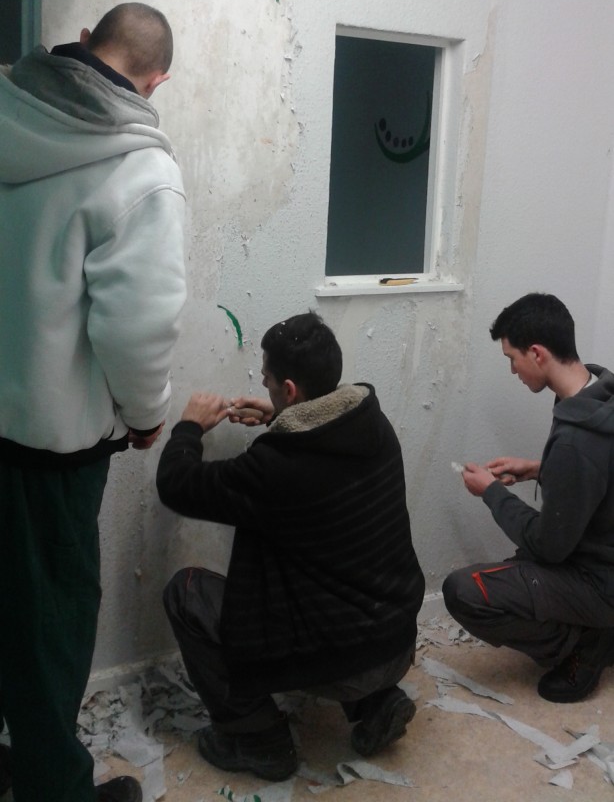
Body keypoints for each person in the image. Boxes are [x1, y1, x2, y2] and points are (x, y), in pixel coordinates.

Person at [0, 4, 187, 802]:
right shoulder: (141, 173)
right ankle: (55, 790)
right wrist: (147, 415)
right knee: (52, 623)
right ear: (158, 81)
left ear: (82, 39)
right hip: (50, 449)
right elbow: (138, 325)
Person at [157, 312, 425, 781]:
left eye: (267, 378)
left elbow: (177, 484)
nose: (262, 383)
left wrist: (189, 428)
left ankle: (257, 739)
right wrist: (280, 417)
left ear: (290, 389)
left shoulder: (275, 467)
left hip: (346, 660)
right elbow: (317, 447)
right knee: (337, 588)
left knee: (186, 593)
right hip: (397, 640)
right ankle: (376, 703)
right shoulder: (372, 423)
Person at [443, 292, 614, 703]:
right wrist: (540, 468)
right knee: (517, 568)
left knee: (465, 591)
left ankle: (584, 644)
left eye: (512, 358)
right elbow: (598, 473)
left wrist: (491, 493)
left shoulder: (576, 439)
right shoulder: (599, 395)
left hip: (599, 579)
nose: (513, 370)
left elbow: (549, 547)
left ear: (537, 353)